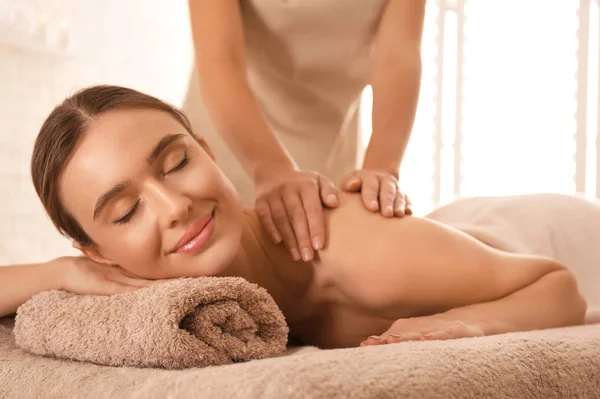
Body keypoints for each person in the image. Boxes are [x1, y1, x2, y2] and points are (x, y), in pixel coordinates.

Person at [0, 86, 588, 349]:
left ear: (207, 150)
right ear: (96, 250)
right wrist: (60, 274)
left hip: (536, 230)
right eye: (126, 212)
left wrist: (469, 325)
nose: (173, 207)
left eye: (176, 163)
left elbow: (558, 286)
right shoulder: (127, 284)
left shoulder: (357, 248)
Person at [183, 0, 425, 263]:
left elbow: (397, 58)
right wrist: (272, 169)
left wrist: (382, 168)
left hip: (329, 154)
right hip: (230, 140)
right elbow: (221, 59)